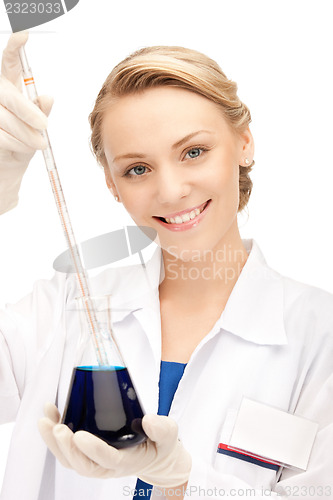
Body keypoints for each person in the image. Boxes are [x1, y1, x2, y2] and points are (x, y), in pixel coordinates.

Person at [0, 32, 333, 500]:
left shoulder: (321, 337)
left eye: (193, 152)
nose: (171, 190)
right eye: (137, 169)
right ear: (112, 184)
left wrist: (180, 481)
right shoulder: (62, 310)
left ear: (243, 143)